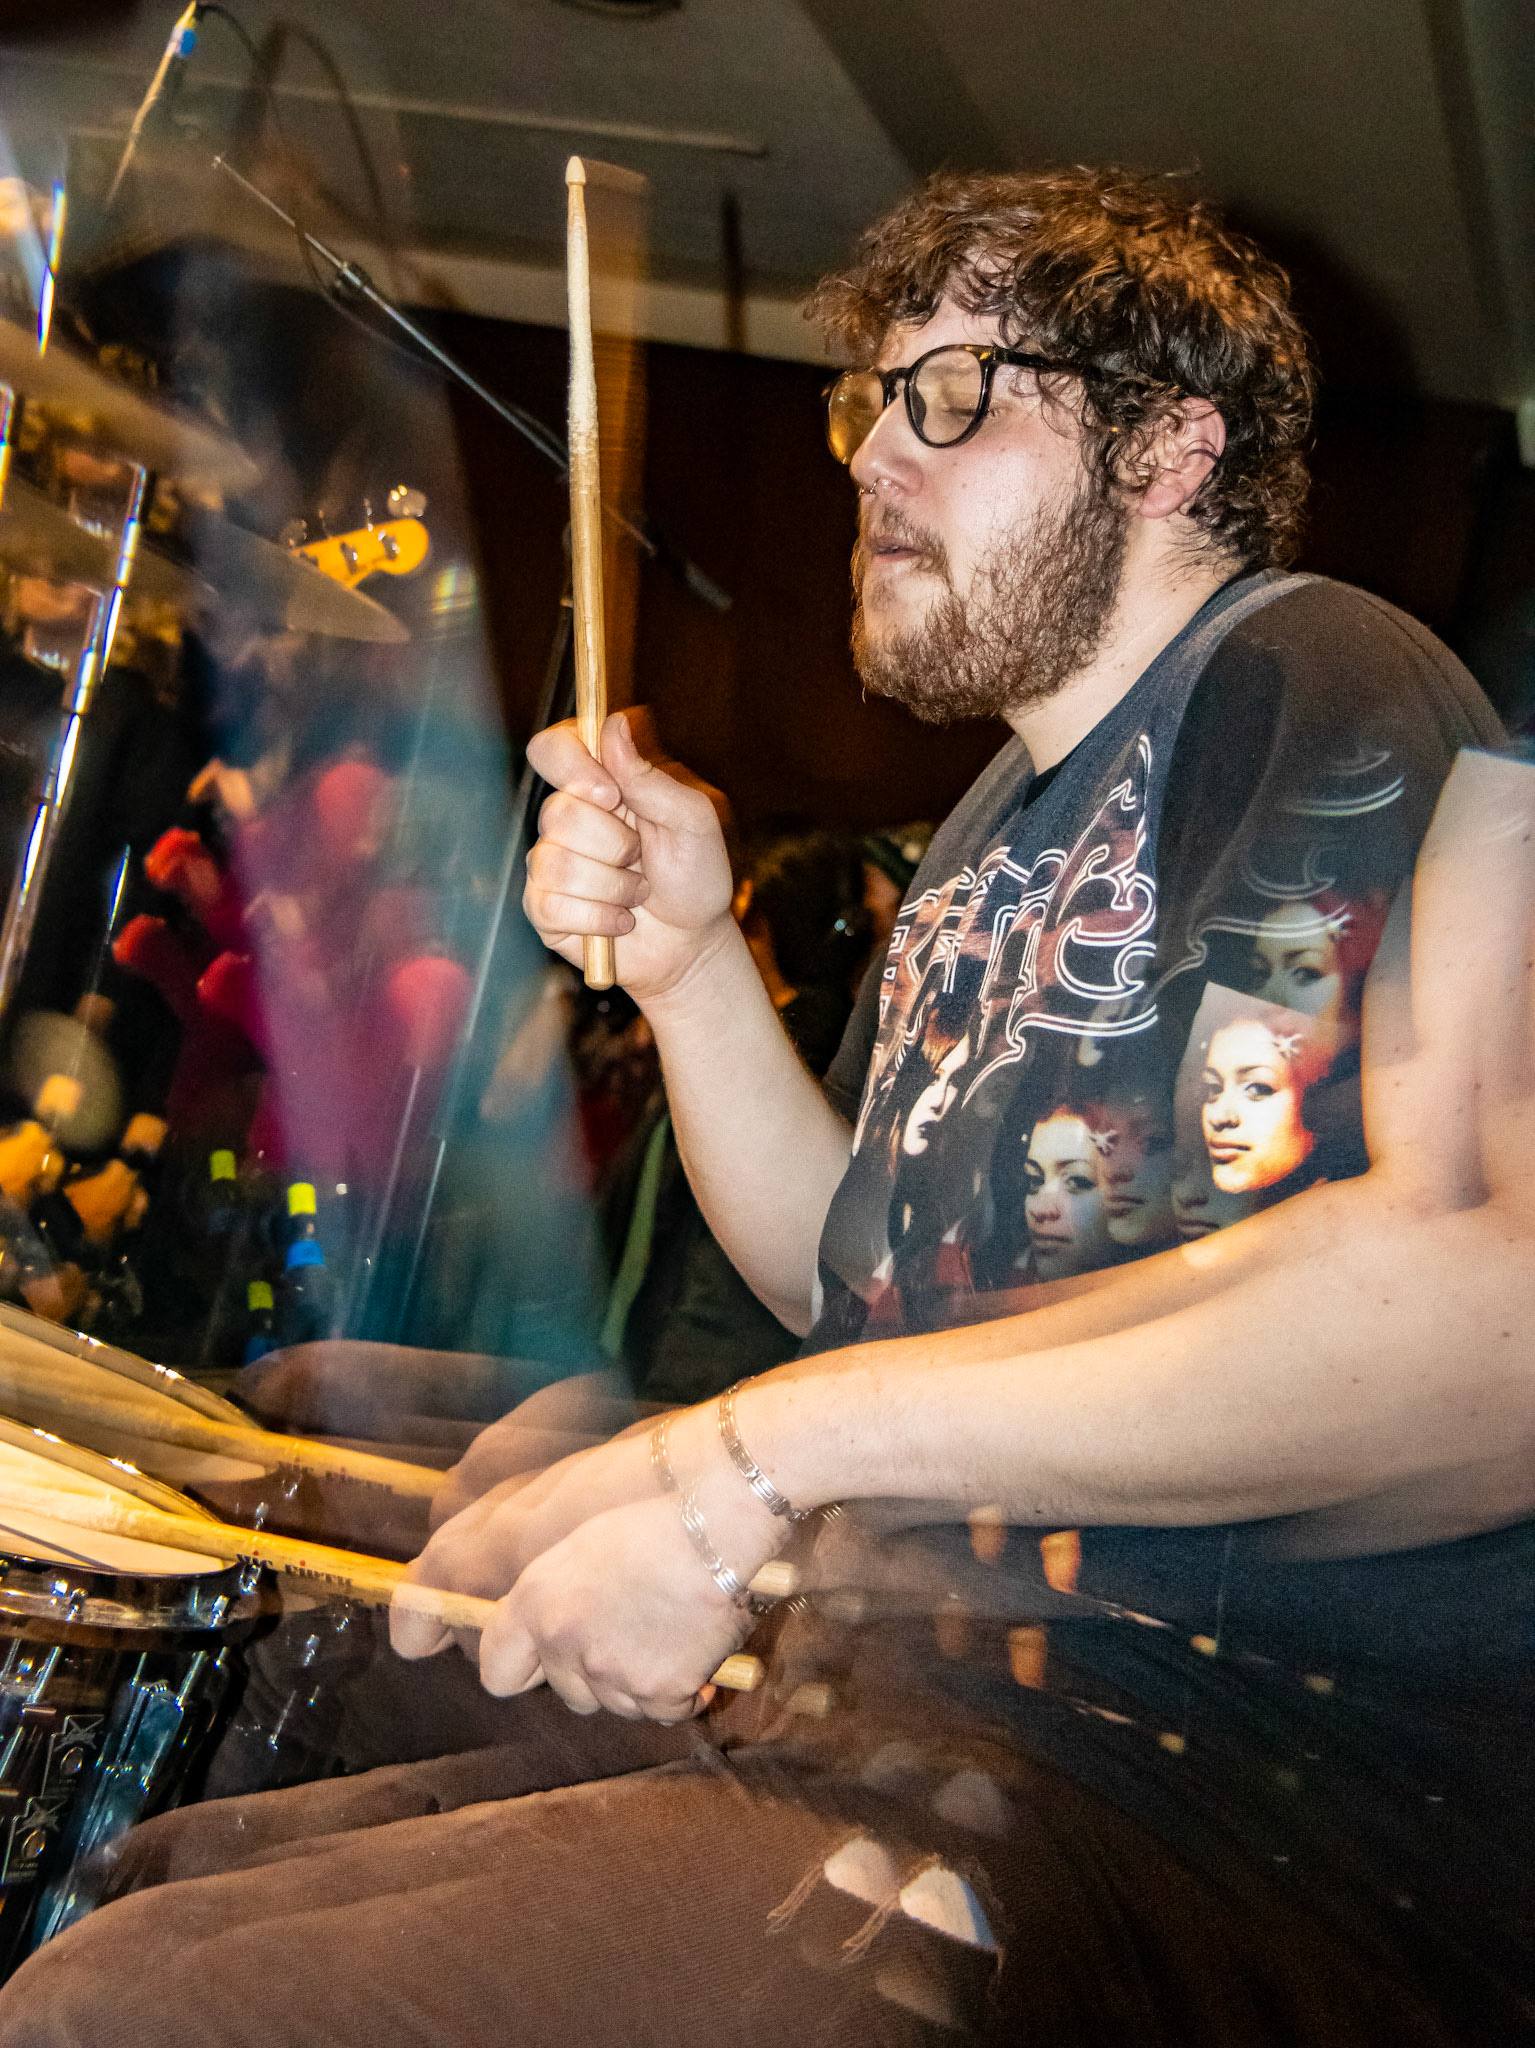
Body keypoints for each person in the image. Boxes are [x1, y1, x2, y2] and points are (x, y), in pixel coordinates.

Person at [2, 167, 1527, 2048]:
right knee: (158, 1866)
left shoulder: (1307, 675)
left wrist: (735, 1469)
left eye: (952, 395)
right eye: (871, 404)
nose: (874, 456)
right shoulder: (991, 833)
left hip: (1176, 1805)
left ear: (1168, 450)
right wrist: (690, 960)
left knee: (129, 2008)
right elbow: (845, 1279)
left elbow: (1475, 1321)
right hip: (895, 1699)